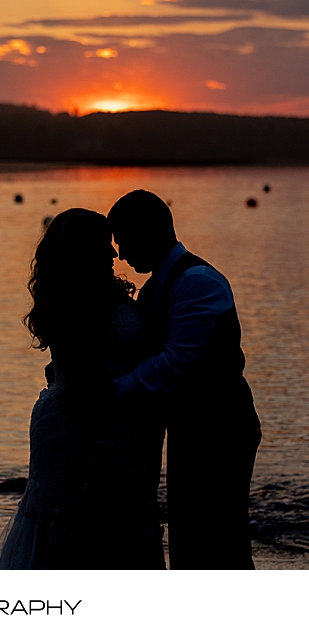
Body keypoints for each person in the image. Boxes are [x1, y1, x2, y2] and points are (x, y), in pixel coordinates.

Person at [0, 208, 166, 569]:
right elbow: (85, 386)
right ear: (83, 252)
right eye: (105, 246)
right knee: (79, 526)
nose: (114, 255)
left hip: (114, 424)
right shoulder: (70, 305)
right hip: (80, 427)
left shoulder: (104, 292)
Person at [108, 190, 262, 569]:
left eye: (124, 241)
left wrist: (109, 391)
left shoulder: (197, 282)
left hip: (222, 427)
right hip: (190, 427)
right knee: (191, 537)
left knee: (220, 540)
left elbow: (175, 364)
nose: (122, 254)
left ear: (148, 232)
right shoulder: (159, 285)